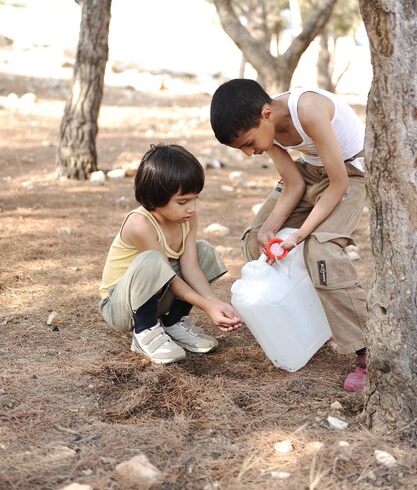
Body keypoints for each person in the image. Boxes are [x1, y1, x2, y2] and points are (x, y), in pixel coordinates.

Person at [210, 78, 367, 392]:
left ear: (267, 114)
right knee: (255, 239)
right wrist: (270, 228)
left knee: (321, 252)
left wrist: (301, 234)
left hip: (349, 172)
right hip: (310, 173)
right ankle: (312, 320)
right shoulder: (265, 127)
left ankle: (368, 351)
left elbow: (338, 185)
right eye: (240, 148)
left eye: (247, 143)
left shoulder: (308, 111)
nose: (248, 153)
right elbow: (294, 183)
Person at [99, 143, 242, 364]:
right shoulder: (140, 224)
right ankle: (144, 331)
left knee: (203, 251)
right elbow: (167, 277)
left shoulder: (187, 219)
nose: (192, 208)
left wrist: (213, 301)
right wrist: (206, 306)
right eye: (183, 201)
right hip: (121, 307)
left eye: (196, 198)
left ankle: (173, 322)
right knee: (153, 260)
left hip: (156, 294)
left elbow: (191, 266)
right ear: (155, 198)